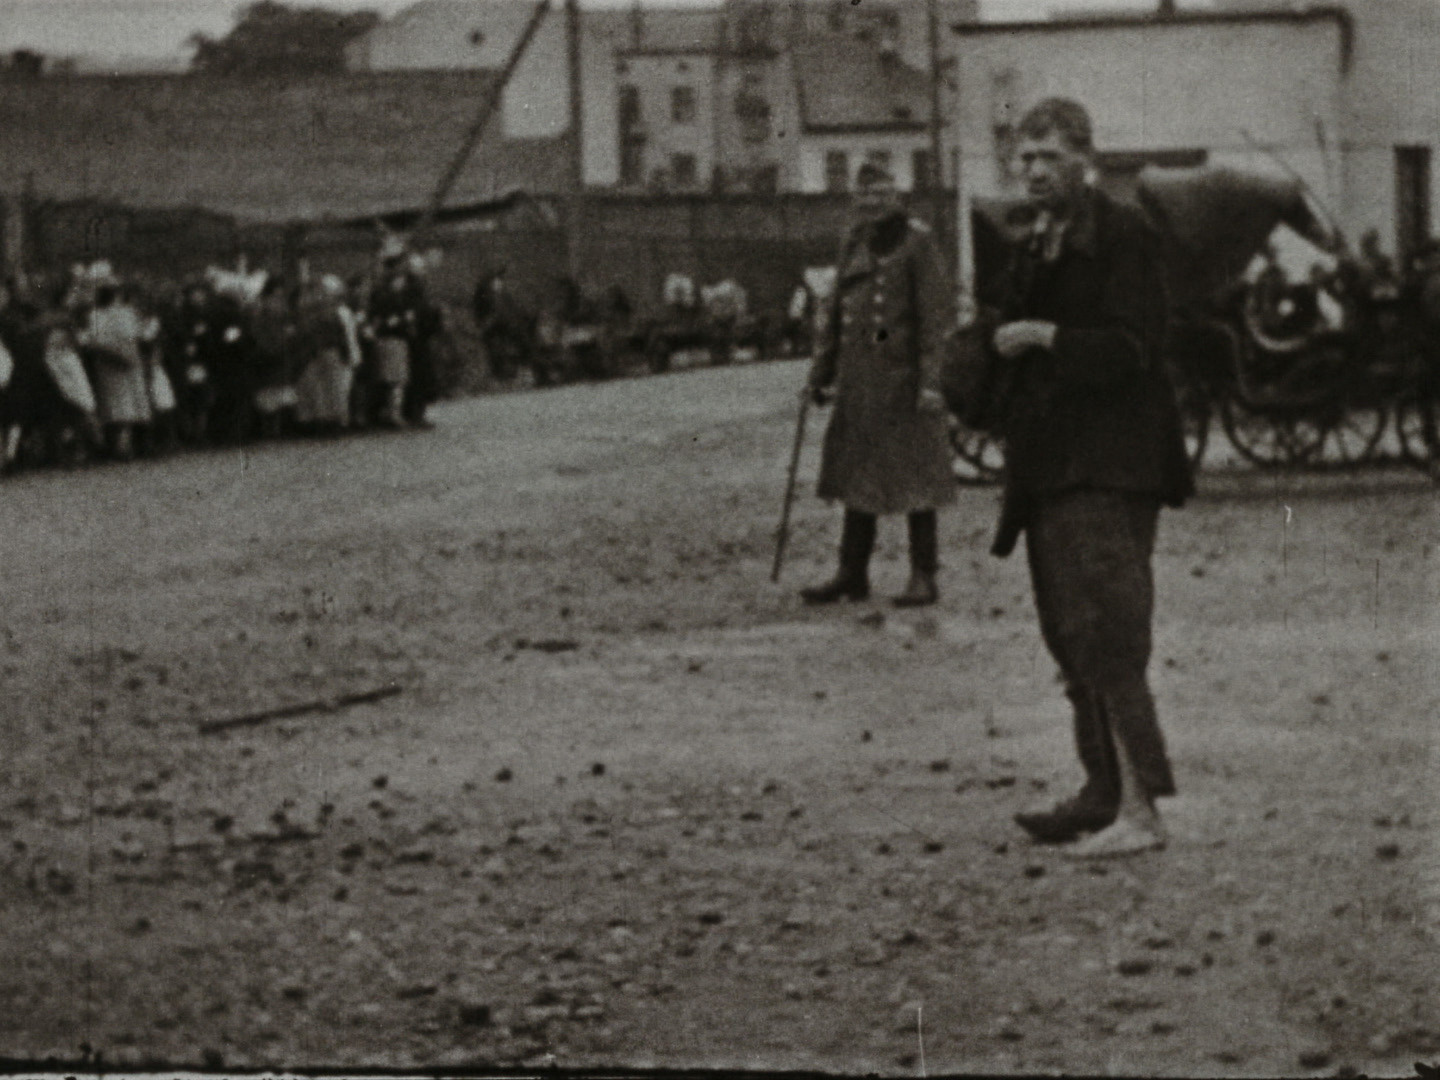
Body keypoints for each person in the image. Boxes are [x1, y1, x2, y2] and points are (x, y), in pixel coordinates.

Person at [984, 98, 1193, 857]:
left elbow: (1138, 346)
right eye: (1025, 156)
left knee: (1110, 631)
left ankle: (1142, 814)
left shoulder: (1124, 234)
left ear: (1084, 159)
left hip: (1111, 463)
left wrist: (1047, 336)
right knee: (1071, 636)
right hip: (1052, 466)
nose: (1033, 170)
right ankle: (1104, 792)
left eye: (1048, 156)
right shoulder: (1036, 240)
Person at [800, 159, 956, 608]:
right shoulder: (854, 241)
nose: (872, 203)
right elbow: (836, 315)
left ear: (897, 198)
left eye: (881, 194)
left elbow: (935, 319)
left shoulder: (918, 242)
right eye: (864, 195)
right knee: (856, 478)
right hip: (860, 383)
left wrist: (931, 383)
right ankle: (852, 574)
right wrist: (820, 375)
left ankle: (923, 576)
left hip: (905, 384)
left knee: (918, 481)